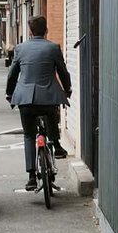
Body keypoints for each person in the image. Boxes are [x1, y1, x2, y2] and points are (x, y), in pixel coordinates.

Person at [5, 15, 71, 191]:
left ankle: (32, 176)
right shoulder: (53, 48)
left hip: (25, 98)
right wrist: (68, 89)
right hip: (48, 96)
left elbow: (12, 74)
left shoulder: (20, 49)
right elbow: (63, 72)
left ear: (31, 31)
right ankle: (56, 145)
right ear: (46, 30)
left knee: (29, 135)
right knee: (51, 116)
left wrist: (9, 93)